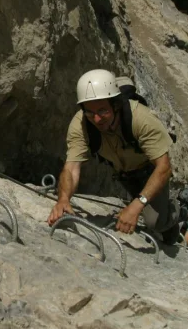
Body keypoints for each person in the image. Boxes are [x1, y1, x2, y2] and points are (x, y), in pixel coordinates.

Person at [47, 69, 180, 244]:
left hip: (151, 171)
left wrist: (136, 206)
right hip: (125, 174)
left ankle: (178, 212)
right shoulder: (81, 124)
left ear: (116, 105)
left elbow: (164, 168)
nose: (97, 119)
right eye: (90, 112)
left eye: (103, 111)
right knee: (144, 213)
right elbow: (71, 168)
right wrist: (63, 200)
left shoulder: (141, 119)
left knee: (156, 223)